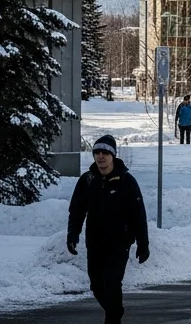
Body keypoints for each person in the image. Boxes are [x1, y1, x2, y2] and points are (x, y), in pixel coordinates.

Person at [67, 135, 149, 324]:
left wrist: (143, 244)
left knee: (112, 283)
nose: (101, 157)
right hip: (95, 243)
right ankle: (115, 311)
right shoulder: (87, 180)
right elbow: (77, 210)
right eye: (97, 152)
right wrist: (73, 234)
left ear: (113, 155)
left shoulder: (127, 181)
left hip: (119, 243)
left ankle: (112, 319)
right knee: (96, 286)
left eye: (105, 153)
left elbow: (139, 214)